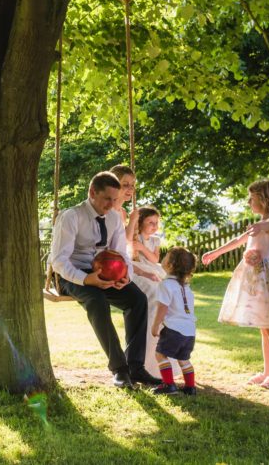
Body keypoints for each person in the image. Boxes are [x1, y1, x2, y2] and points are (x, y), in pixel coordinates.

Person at [49, 171, 161, 389]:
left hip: (106, 273)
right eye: (107, 199)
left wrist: (125, 276)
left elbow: (121, 253)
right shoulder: (71, 217)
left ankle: (136, 367)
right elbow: (59, 261)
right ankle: (120, 370)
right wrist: (86, 279)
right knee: (97, 300)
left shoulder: (112, 218)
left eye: (115, 199)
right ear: (92, 192)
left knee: (137, 299)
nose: (112, 205)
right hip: (72, 274)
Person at [202, 179, 269, 390]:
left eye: (252, 198)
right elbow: (238, 240)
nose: (248, 201)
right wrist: (215, 253)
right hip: (257, 279)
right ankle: (267, 372)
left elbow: (268, 226)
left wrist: (260, 225)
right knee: (264, 327)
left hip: (267, 279)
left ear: (264, 199)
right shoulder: (260, 223)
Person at [150, 247, 198, 395]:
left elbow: (162, 308)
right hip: (190, 331)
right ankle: (190, 387)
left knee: (160, 355)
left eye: (166, 257)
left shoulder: (166, 285)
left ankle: (168, 385)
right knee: (183, 359)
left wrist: (156, 325)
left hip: (173, 329)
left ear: (170, 265)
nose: (163, 259)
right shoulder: (185, 287)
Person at [129, 206, 168, 376]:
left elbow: (154, 259)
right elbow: (129, 255)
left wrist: (142, 247)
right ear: (140, 222)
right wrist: (135, 245)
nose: (154, 226)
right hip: (137, 267)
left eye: (156, 223)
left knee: (166, 289)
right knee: (153, 292)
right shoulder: (132, 236)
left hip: (152, 267)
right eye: (150, 222)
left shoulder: (155, 241)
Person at [109, 164, 139, 243]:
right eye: (125, 184)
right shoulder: (105, 211)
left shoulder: (123, 213)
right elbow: (125, 243)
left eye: (132, 185)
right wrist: (132, 222)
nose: (131, 188)